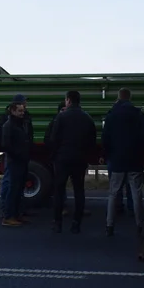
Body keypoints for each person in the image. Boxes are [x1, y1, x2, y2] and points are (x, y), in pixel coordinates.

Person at [49, 90, 97, 233]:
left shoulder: (61, 117)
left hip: (63, 158)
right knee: (79, 190)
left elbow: (53, 139)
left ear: (68, 100)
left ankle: (58, 223)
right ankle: (76, 224)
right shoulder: (87, 118)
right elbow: (92, 141)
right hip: (80, 159)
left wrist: (54, 155)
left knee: (59, 190)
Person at [102, 88, 144, 236]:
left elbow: (105, 138)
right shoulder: (138, 114)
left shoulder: (111, 115)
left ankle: (109, 225)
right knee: (136, 194)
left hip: (117, 160)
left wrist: (106, 155)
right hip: (134, 160)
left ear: (118, 97)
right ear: (130, 97)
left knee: (113, 193)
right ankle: (140, 224)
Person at [0, 94, 34, 221]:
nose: (24, 109)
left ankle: (18, 212)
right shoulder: (8, 122)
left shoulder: (23, 120)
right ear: (13, 109)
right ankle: (7, 213)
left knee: (18, 187)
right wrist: (17, 154)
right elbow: (5, 143)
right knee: (11, 185)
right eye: (21, 107)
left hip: (22, 158)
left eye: (24, 107)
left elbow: (28, 136)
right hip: (14, 159)